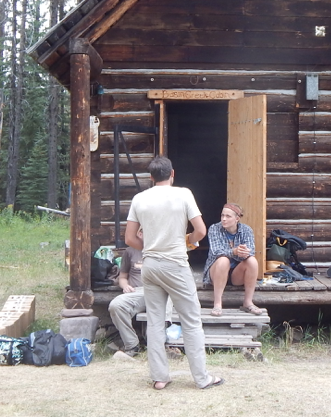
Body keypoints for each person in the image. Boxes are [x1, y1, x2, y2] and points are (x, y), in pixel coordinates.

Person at [125, 156, 224, 391]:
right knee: (191, 321)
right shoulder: (183, 194)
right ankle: (202, 378)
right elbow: (200, 230)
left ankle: (160, 378)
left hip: (150, 265)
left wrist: (150, 247)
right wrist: (187, 242)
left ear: (150, 177)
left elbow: (129, 238)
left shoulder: (139, 199)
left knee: (155, 322)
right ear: (172, 174)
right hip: (175, 264)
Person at [108, 229, 173, 357]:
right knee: (115, 305)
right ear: (140, 234)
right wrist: (125, 286)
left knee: (166, 298)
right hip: (137, 291)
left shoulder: (164, 250)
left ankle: (159, 346)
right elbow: (122, 277)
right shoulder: (130, 251)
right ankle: (131, 345)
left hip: (159, 289)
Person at [203, 203, 262, 317]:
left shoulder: (246, 230)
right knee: (223, 260)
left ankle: (248, 302)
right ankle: (217, 304)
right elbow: (216, 252)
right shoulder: (214, 228)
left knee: (252, 261)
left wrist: (243, 252)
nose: (224, 219)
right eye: (222, 215)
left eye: (228, 216)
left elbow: (251, 251)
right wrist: (234, 252)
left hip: (236, 274)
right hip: (217, 272)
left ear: (237, 219)